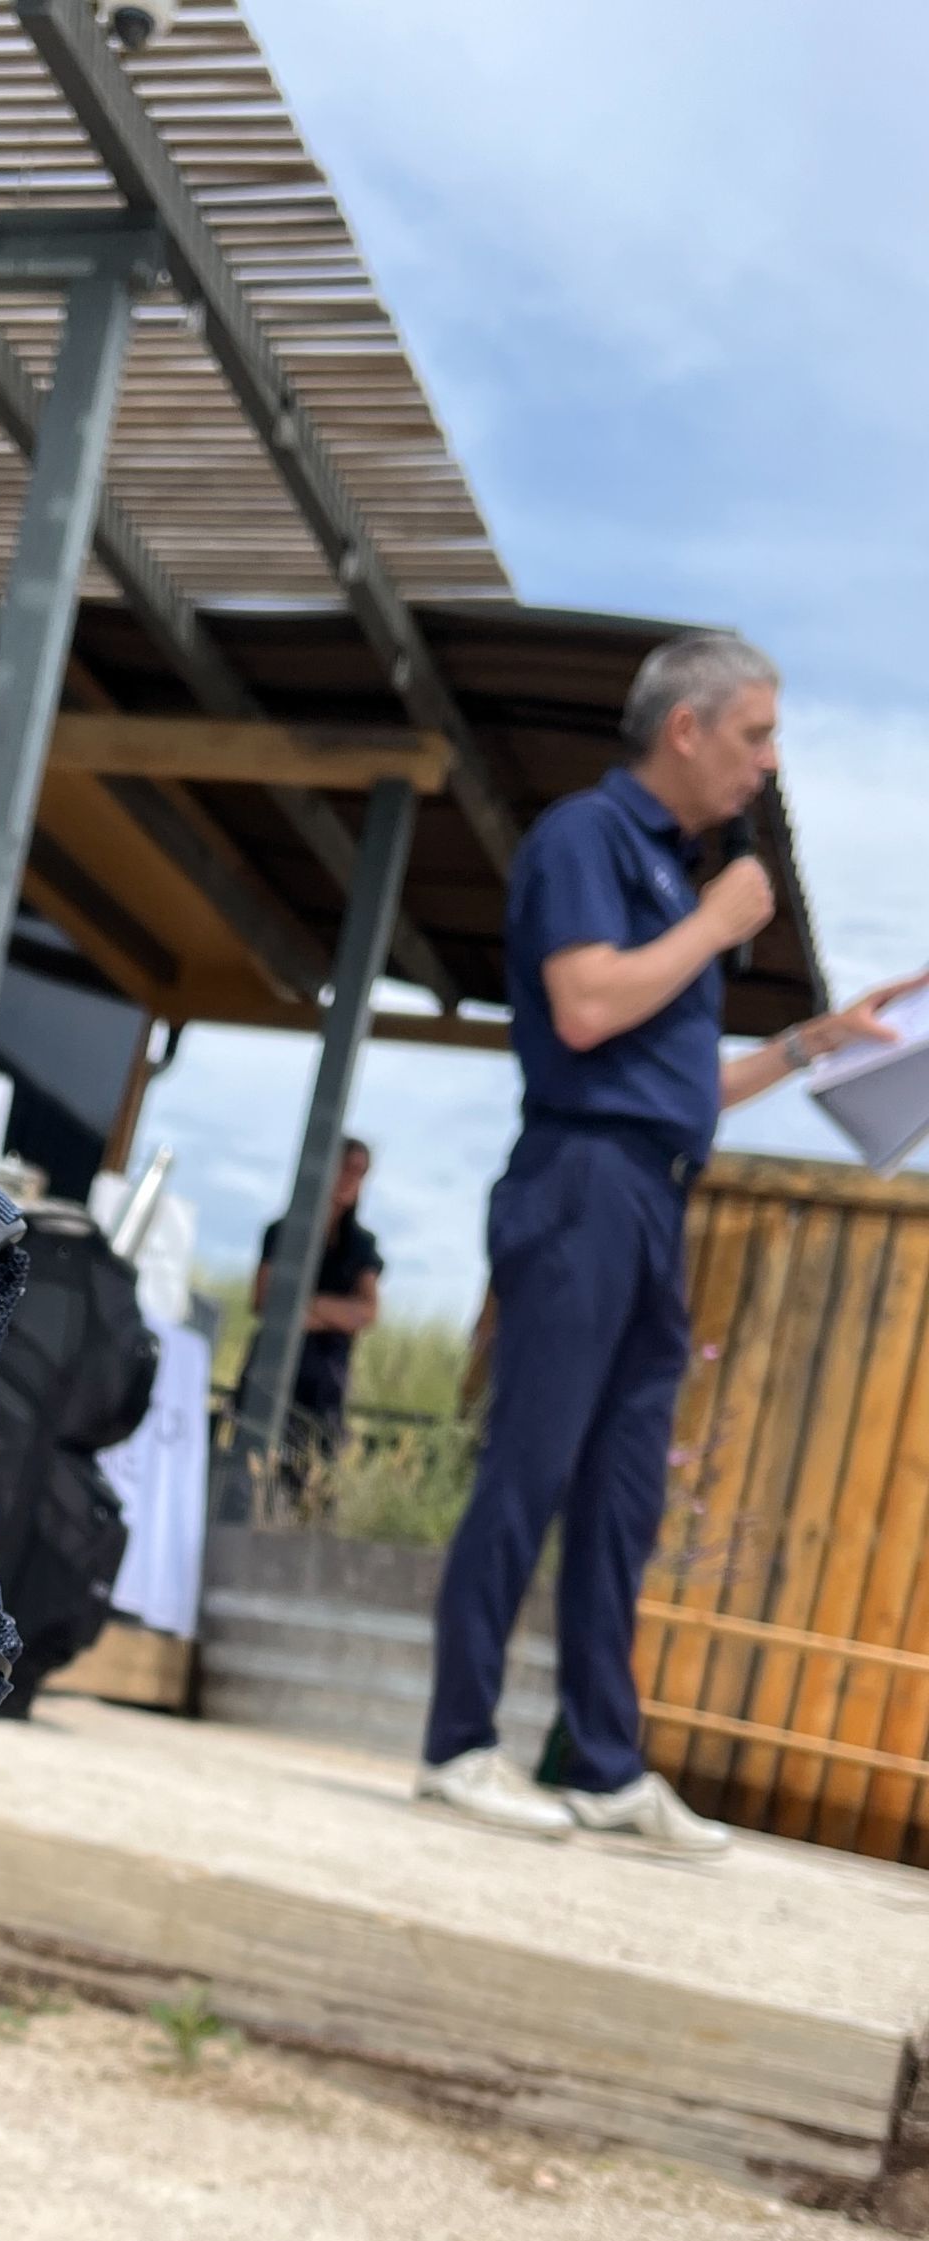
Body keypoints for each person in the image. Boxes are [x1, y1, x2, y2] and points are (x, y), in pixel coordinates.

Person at [417, 631, 923, 1854]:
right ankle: (457, 1747)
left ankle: (604, 1763)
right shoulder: (588, 840)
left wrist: (814, 1043)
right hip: (579, 1183)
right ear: (685, 729)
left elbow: (684, 1086)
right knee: (530, 1466)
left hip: (654, 1189)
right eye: (755, 733)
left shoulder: (672, 871)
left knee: (624, 1494)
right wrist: (711, 924)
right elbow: (588, 1006)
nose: (768, 762)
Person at [253, 1136, 382, 1477]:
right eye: (346, 1168)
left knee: (313, 1470)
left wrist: (306, 1306)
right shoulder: (282, 1232)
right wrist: (337, 1312)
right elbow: (264, 1300)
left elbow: (367, 1312)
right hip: (271, 1368)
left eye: (360, 1172)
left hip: (326, 1380)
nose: (351, 1179)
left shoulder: (361, 1246)